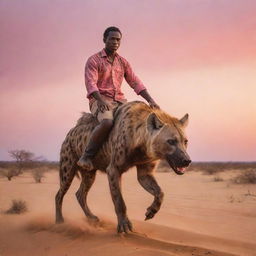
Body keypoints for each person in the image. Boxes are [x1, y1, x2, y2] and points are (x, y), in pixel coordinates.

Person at [77, 26, 159, 170]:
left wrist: (150, 100)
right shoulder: (94, 60)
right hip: (99, 100)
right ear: (104, 40)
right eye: (112, 39)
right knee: (107, 122)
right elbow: (90, 83)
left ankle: (141, 155)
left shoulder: (123, 62)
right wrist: (100, 100)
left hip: (120, 102)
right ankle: (87, 156)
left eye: (118, 40)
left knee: (141, 116)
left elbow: (135, 82)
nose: (115, 42)